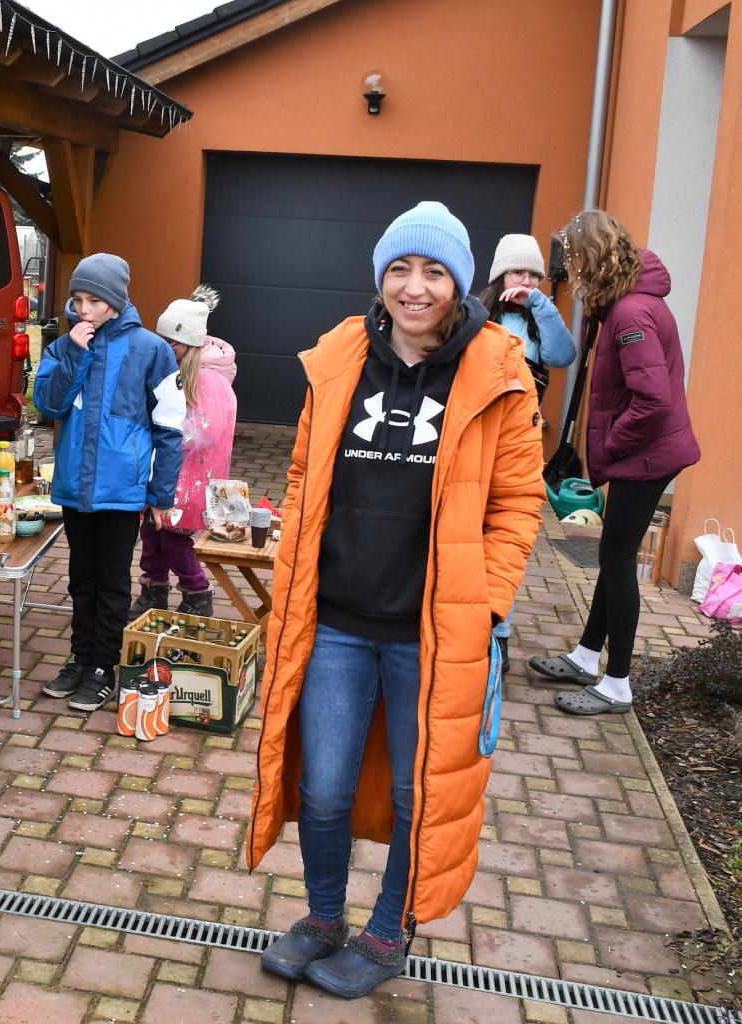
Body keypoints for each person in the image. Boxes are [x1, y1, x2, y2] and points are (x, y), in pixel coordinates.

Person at [250, 202, 545, 998]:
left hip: (434, 631)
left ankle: (386, 933)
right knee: (323, 788)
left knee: (423, 792)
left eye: (433, 272)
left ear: (459, 283)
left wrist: (485, 602)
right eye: (399, 270)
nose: (415, 288)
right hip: (336, 623)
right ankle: (321, 918)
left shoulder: (498, 371)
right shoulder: (339, 359)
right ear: (380, 278)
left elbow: (520, 502)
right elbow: (302, 474)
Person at [529, 211, 699, 714]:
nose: (570, 268)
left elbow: (653, 400)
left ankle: (617, 684)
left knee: (618, 562)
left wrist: (610, 444)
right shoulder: (623, 304)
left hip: (646, 455)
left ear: (592, 256)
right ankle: (586, 656)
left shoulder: (631, 313)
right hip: (646, 451)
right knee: (614, 554)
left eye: (573, 258)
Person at [34, 253, 185, 712]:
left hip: (122, 490)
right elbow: (49, 405)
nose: (83, 309)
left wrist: (161, 494)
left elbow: (170, 428)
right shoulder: (64, 346)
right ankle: (80, 659)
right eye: (77, 299)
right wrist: (73, 354)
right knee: (81, 578)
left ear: (115, 301)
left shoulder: (150, 349)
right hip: (74, 486)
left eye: (93, 301)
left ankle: (104, 667)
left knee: (113, 581)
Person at [479, 234, 577, 672]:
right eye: (519, 273)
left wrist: (539, 304)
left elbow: (563, 354)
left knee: (507, 535)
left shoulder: (541, 317)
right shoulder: (481, 316)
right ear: (501, 275)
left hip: (520, 442)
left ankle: (499, 633)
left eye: (535, 275)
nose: (528, 281)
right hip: (480, 437)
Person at [128, 285, 237, 618]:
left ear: (189, 343)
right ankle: (154, 589)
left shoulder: (208, 379)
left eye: (171, 343)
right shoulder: (172, 367)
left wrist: (158, 431)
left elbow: (206, 430)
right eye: (160, 339)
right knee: (151, 533)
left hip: (191, 477)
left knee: (175, 540)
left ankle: (197, 592)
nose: (164, 347)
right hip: (167, 472)